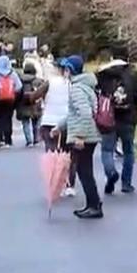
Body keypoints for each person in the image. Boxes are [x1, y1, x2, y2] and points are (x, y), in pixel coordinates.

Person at [51, 56, 102, 219]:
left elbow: (85, 113)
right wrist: (60, 127)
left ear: (70, 70)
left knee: (84, 171)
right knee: (84, 170)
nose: (63, 72)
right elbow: (74, 114)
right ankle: (92, 204)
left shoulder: (77, 88)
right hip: (90, 134)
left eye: (65, 69)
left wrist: (80, 136)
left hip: (84, 136)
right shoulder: (85, 86)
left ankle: (94, 206)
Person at [96, 59, 137, 195]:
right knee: (128, 151)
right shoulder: (132, 77)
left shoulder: (103, 78)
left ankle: (111, 172)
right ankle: (126, 183)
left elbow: (97, 97)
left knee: (107, 150)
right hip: (128, 119)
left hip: (108, 120)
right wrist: (133, 106)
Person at [40, 57, 76, 197]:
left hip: (49, 121)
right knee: (68, 154)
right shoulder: (72, 84)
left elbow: (35, 96)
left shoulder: (49, 83)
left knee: (52, 152)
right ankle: (70, 185)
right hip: (67, 122)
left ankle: (54, 183)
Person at [0, 55, 22, 148]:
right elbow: (19, 86)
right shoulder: (13, 74)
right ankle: (8, 139)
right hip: (10, 100)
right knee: (8, 118)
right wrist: (12, 91)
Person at [16, 62, 49, 147]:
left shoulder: (19, 80)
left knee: (25, 123)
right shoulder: (39, 81)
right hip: (36, 104)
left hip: (23, 104)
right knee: (36, 123)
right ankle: (36, 139)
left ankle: (29, 141)